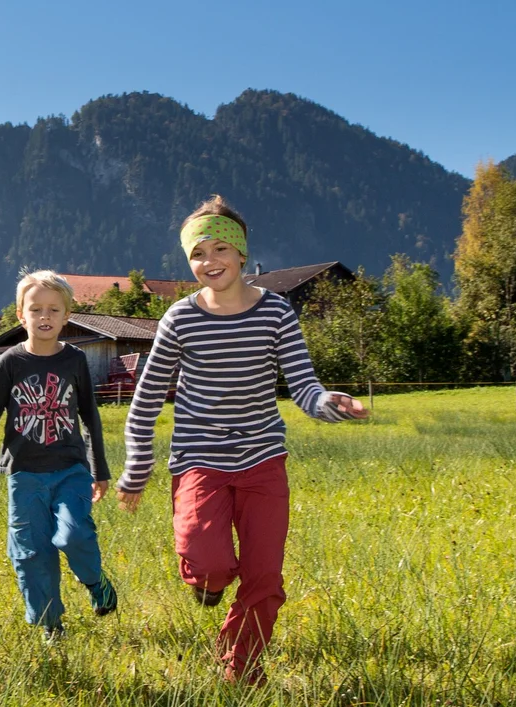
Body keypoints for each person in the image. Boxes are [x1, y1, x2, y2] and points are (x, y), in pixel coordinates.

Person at [115, 195, 368, 684]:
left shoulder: (276, 313)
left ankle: (242, 667)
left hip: (263, 460)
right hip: (199, 461)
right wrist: (137, 468)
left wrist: (329, 403)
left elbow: (304, 386)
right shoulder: (180, 319)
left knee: (265, 578)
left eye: (220, 249)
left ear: (242, 253)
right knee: (209, 563)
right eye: (197, 254)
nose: (210, 261)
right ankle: (206, 581)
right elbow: (145, 401)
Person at [0, 271, 117, 643]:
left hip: (71, 470)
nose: (44, 316)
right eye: (36, 309)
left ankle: (95, 581)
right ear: (21, 315)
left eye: (53, 309)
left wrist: (98, 467)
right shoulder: (11, 361)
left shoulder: (75, 360)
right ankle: (51, 625)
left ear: (66, 316)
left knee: (73, 535)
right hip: (24, 474)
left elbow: (89, 415)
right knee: (31, 551)